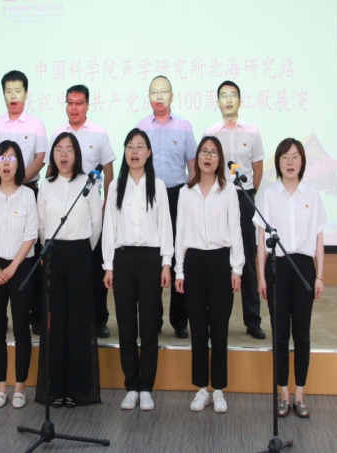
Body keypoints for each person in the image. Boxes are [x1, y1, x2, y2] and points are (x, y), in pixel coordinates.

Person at [254, 138, 326, 419]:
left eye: (295, 157)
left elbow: (319, 239)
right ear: (278, 162)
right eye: (285, 157)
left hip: (304, 268)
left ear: (302, 161)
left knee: (302, 334)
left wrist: (320, 276)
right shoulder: (269, 195)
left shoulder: (312, 194)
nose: (290, 162)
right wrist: (261, 276)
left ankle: (300, 394)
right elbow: (261, 242)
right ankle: (283, 393)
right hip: (278, 268)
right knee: (280, 333)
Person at [102, 128, 173, 411]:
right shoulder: (115, 186)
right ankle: (131, 385)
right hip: (123, 260)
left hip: (150, 260)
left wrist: (166, 263)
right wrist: (108, 266)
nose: (134, 151)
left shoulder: (159, 186)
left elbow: (165, 226)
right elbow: (109, 227)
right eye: (130, 146)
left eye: (140, 146)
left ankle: (147, 387)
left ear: (149, 153)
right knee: (127, 326)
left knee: (149, 327)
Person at [174, 136, 243, 414]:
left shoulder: (229, 191)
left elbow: (235, 230)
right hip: (193, 261)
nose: (208, 157)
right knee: (198, 327)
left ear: (219, 159)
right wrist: (179, 269)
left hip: (219, 261)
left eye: (213, 153)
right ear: (197, 158)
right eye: (204, 152)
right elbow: (180, 232)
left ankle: (220, 389)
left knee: (219, 328)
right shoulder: (185, 192)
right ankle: (202, 388)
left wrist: (237, 268)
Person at [35, 132, 103, 407]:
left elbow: (96, 225)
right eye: (59, 149)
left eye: (69, 150)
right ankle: (55, 389)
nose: (64, 154)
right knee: (55, 324)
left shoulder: (89, 184)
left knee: (78, 323)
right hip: (53, 256)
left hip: (80, 256)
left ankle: (78, 390)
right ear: (53, 155)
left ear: (77, 155)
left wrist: (82, 250)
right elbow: (42, 226)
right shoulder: (45, 186)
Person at [0, 70, 47, 336]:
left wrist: (19, 180)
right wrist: (0, 180)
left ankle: (34, 316)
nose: (13, 95)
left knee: (31, 255)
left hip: (28, 190)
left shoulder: (36, 124)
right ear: (4, 94)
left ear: (26, 93)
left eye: (18, 90)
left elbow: (40, 158)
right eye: (8, 91)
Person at [47, 84, 116, 339]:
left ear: (87, 105)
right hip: (63, 210)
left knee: (96, 268)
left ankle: (99, 318)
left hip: (91, 210)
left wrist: (108, 205)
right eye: (70, 103)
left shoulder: (99, 133)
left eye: (79, 103)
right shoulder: (58, 133)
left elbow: (109, 172)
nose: (74, 108)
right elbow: (50, 171)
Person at [0, 140, 38, 409]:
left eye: (11, 158)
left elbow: (31, 234)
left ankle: (20, 386)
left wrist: (12, 268)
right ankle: (1, 386)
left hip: (21, 267)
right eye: (1, 158)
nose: (6, 164)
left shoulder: (27, 195)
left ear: (19, 164)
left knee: (22, 328)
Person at [203, 80, 266, 340]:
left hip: (243, 197)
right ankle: (215, 319)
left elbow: (258, 169)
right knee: (219, 257)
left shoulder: (252, 132)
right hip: (218, 196)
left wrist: (249, 194)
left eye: (233, 95)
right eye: (223, 96)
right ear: (217, 102)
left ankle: (253, 320)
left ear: (240, 100)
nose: (228, 100)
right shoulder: (211, 133)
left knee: (248, 257)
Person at [135, 75, 196, 339]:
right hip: (149, 196)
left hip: (178, 194)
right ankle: (154, 318)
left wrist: (192, 199)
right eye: (154, 92)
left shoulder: (184, 126)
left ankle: (180, 320)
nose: (159, 96)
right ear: (148, 96)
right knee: (154, 256)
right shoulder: (140, 127)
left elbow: (193, 166)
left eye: (164, 92)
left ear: (172, 95)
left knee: (180, 253)